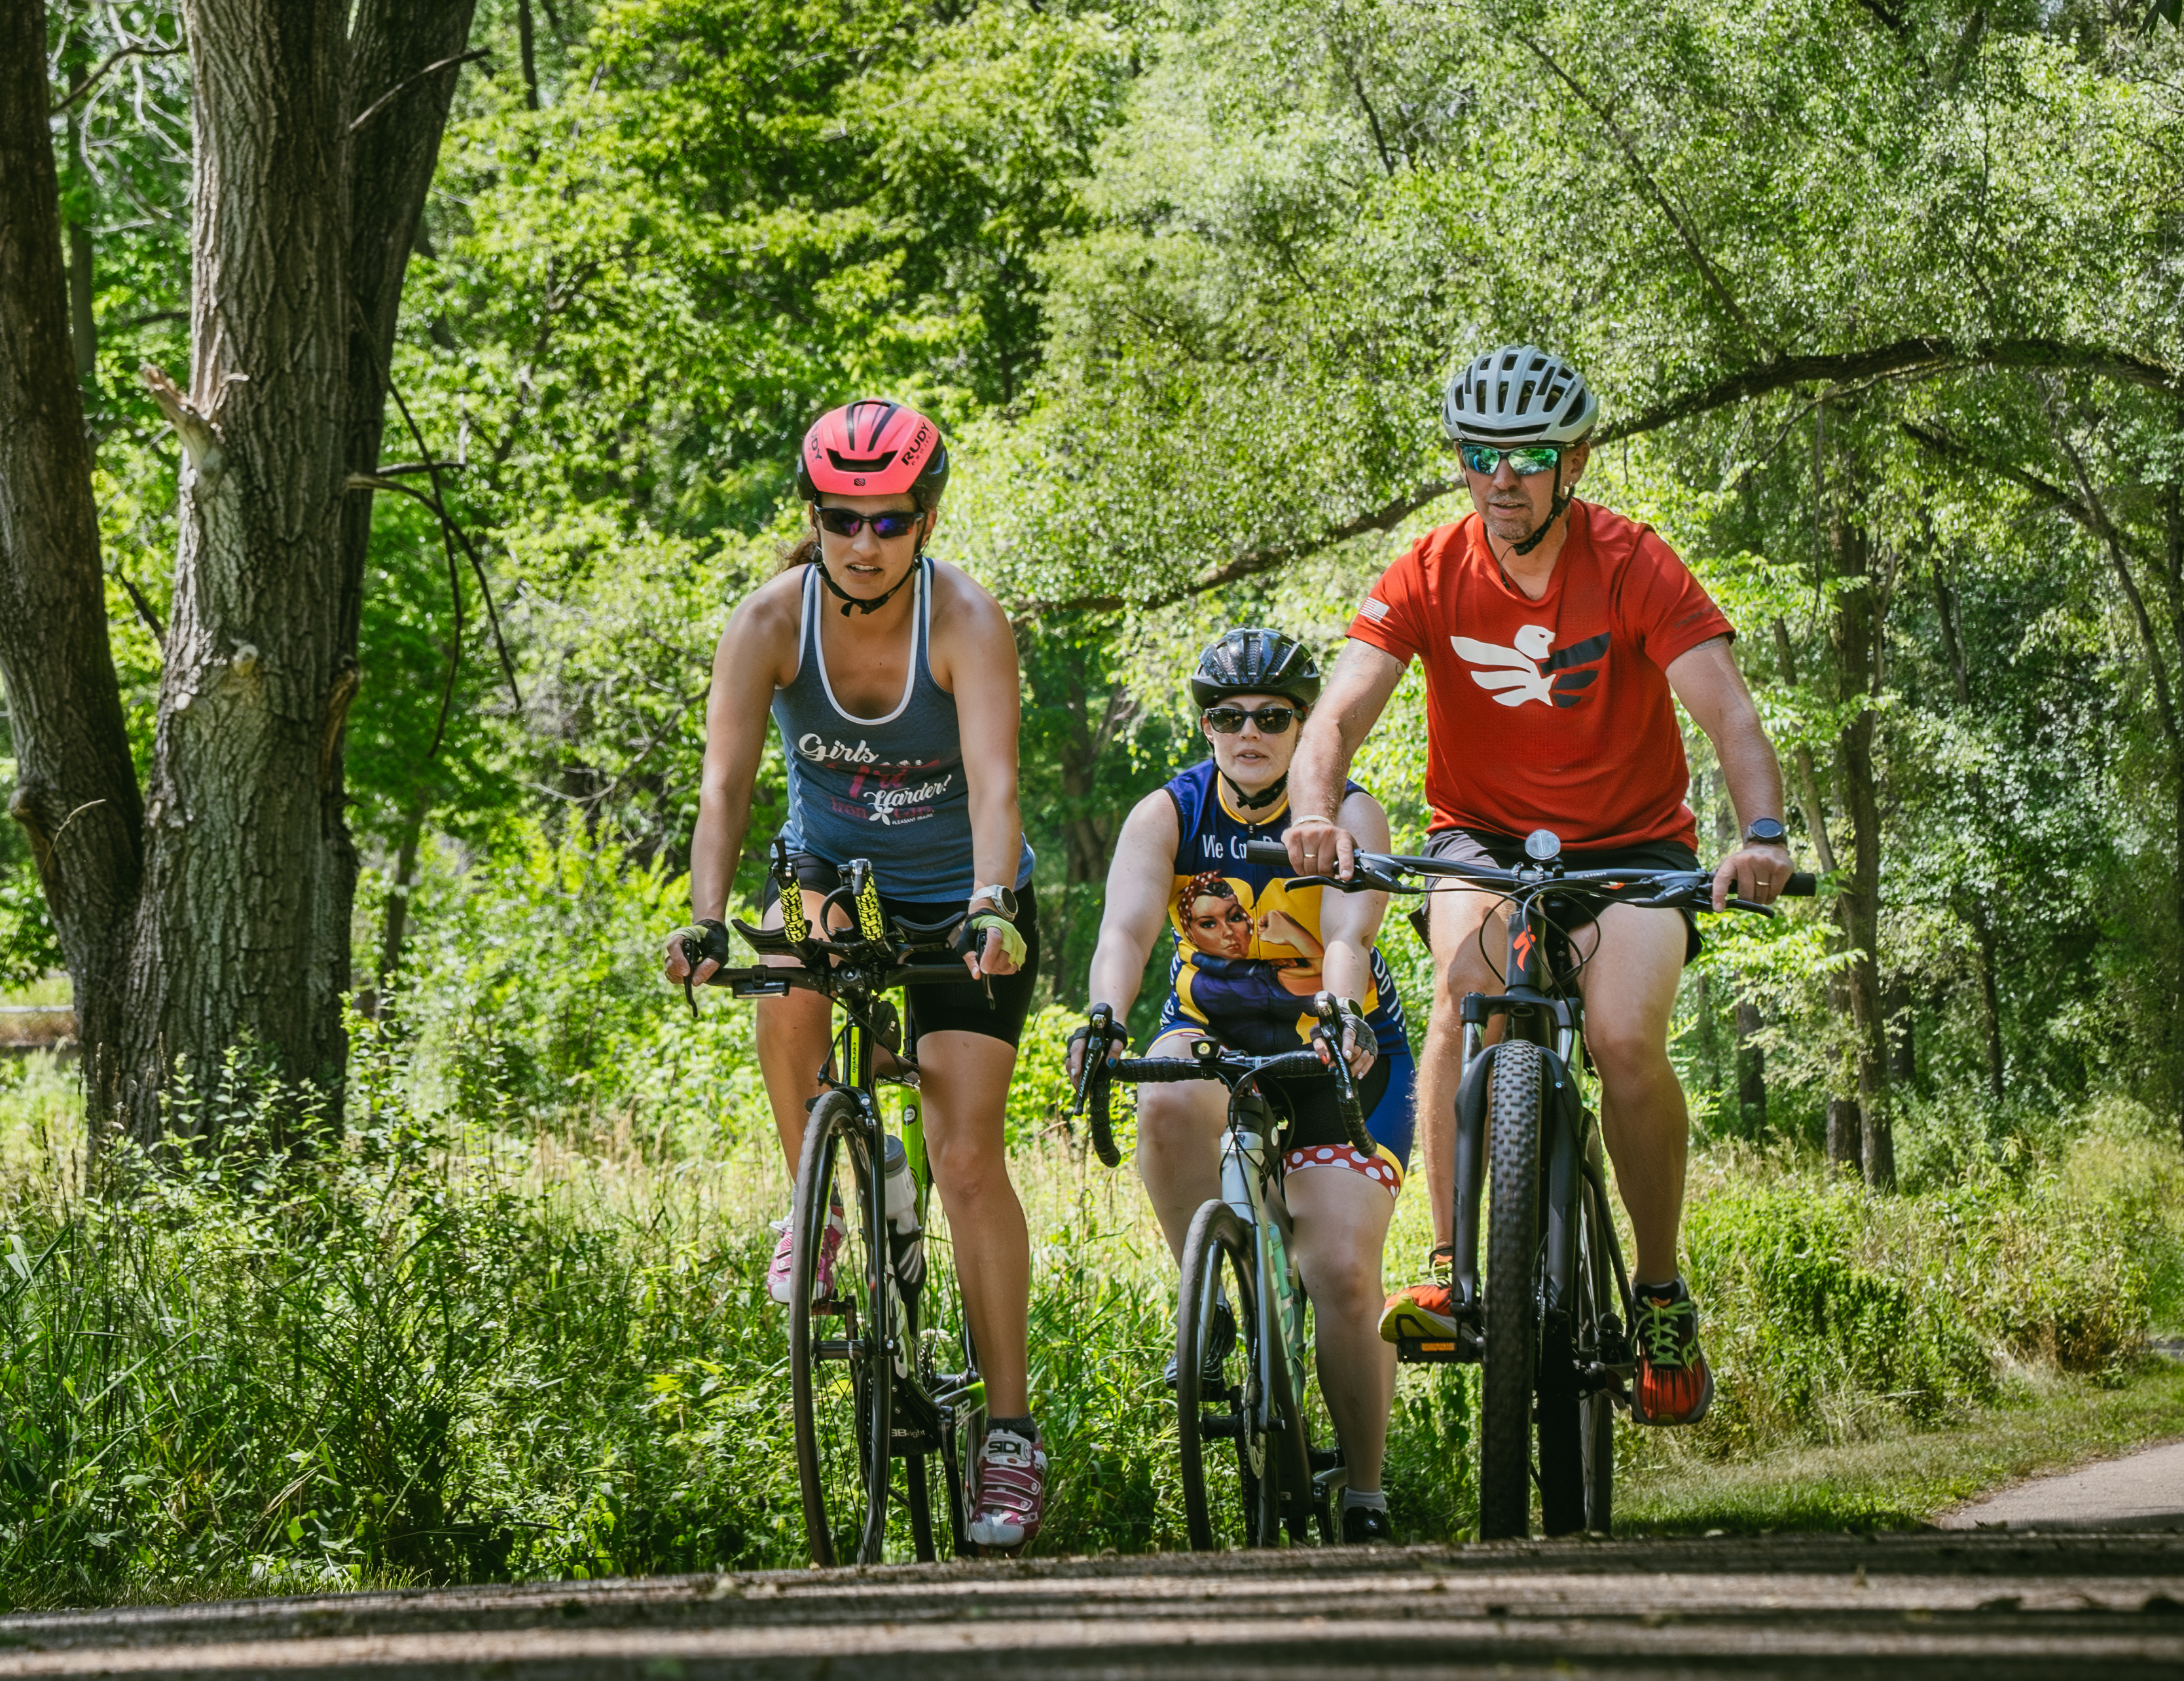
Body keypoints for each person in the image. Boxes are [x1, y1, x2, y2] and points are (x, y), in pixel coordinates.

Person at [1279, 346, 1793, 1426]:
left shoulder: (1634, 563)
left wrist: (1762, 833)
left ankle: (1658, 1294)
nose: (1500, 477)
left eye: (1527, 456)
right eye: (1479, 455)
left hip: (1635, 846)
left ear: (1574, 460)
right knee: (1463, 994)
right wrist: (1315, 814)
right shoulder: (1427, 568)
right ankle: (1454, 1268)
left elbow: (1730, 716)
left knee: (1621, 1037)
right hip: (1482, 837)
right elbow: (1335, 714)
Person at [662, 397, 1053, 1550]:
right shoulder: (770, 622)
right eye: (842, 518)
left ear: (925, 519)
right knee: (784, 970)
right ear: (816, 517)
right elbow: (726, 789)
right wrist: (702, 920)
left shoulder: (966, 618)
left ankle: (1011, 1441)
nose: (864, 542)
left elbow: (994, 784)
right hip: (831, 876)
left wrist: (991, 910)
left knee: (965, 1153)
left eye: (889, 520)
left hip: (959, 894)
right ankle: (821, 1208)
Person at [1068, 628, 1412, 1545]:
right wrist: (1104, 1017)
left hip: (1338, 1045)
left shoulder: (1349, 811)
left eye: (1271, 717)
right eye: (1228, 717)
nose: (1248, 733)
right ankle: (1213, 1296)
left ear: (1304, 724)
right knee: (1169, 1094)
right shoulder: (1169, 811)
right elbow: (1128, 933)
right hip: (1215, 1032)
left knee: (1338, 1270)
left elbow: (1348, 937)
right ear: (1208, 726)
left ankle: (1364, 1493)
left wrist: (1340, 1018)